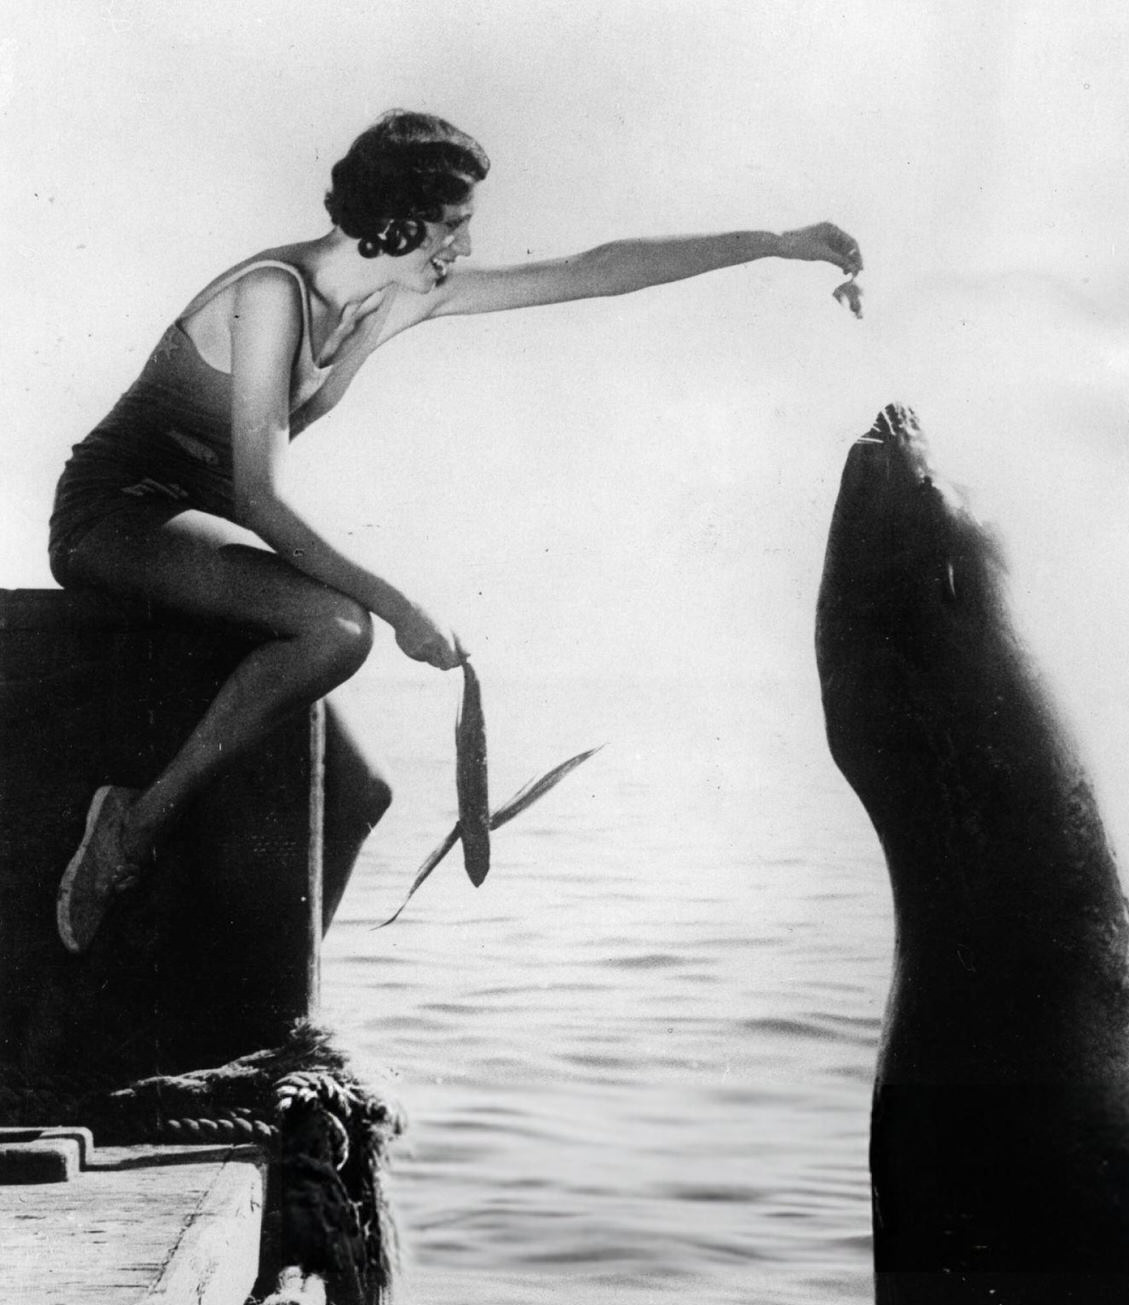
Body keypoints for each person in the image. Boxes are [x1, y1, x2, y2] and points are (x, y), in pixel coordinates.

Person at [50, 109, 863, 954]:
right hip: (112, 517)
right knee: (337, 628)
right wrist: (403, 607)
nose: (465, 249)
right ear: (396, 220)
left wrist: (777, 242)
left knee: (358, 789)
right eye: (453, 225)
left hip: (192, 533)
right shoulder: (270, 294)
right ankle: (129, 829)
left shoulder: (396, 300)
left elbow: (594, 270)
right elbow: (260, 499)